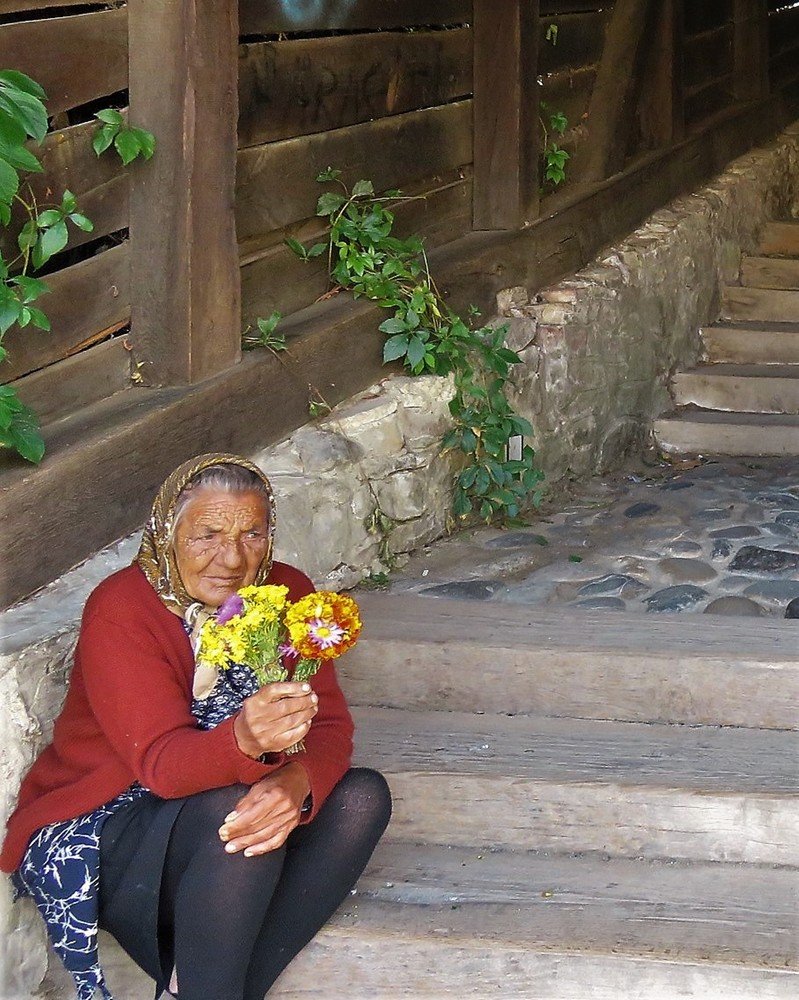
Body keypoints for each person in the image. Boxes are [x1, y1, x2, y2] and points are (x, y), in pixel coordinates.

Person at [1, 453, 392, 1000]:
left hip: (217, 807)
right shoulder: (122, 609)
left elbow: (328, 726)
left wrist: (296, 783)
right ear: (168, 532)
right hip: (106, 821)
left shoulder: (287, 594)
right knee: (237, 814)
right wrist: (247, 741)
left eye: (252, 533)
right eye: (207, 534)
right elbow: (161, 766)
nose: (231, 558)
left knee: (361, 798)